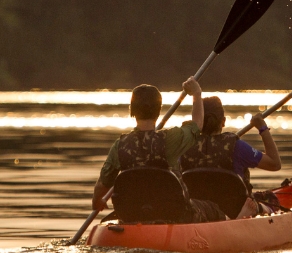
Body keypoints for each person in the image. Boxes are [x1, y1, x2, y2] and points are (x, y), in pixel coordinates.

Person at [91, 77, 225, 223]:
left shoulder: (120, 145)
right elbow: (197, 125)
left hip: (132, 214)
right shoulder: (171, 139)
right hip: (174, 214)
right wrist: (196, 94)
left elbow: (102, 185)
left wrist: (97, 202)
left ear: (132, 110)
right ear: (158, 110)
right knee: (213, 208)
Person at [180, 96, 282, 217]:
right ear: (223, 121)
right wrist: (262, 128)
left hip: (199, 212)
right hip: (236, 211)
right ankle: (266, 210)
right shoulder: (237, 147)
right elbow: (275, 163)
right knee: (271, 200)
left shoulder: (184, 147)